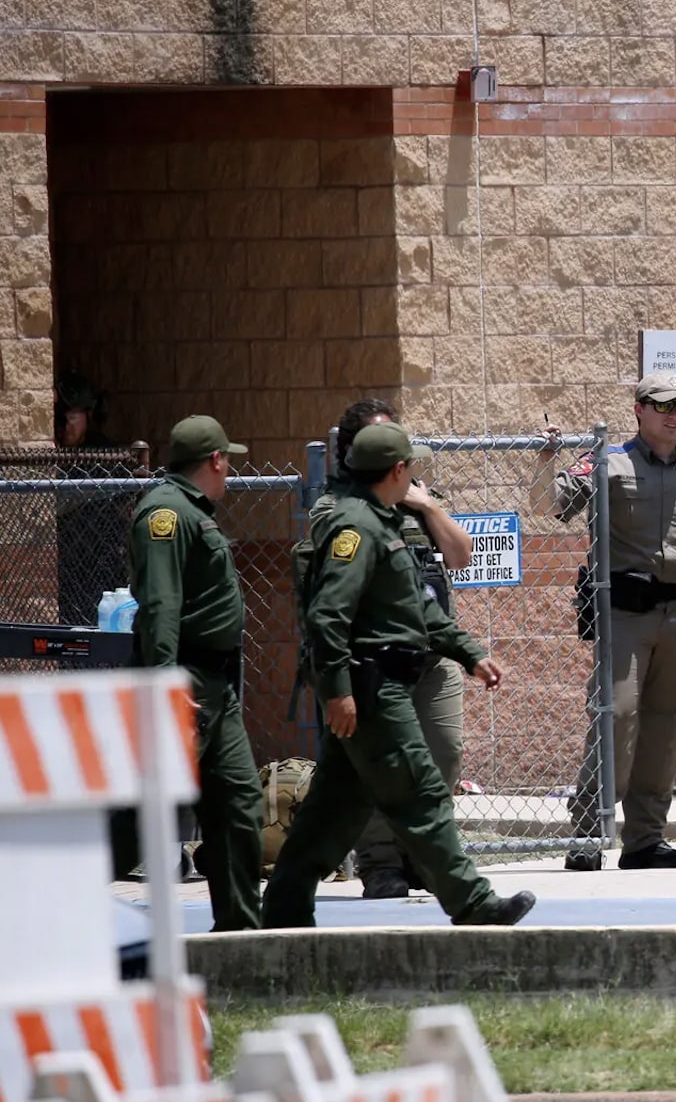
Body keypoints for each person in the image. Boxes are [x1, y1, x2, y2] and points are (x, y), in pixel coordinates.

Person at [264, 423, 534, 928]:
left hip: (382, 681)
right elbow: (328, 616)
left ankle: (283, 907)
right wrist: (338, 692)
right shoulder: (355, 528)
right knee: (422, 792)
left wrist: (469, 654)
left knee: (332, 811)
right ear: (396, 471)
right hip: (372, 688)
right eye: (410, 465)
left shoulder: (381, 521)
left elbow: (418, 607)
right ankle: (472, 902)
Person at [537, 373, 676, 872]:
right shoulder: (607, 463)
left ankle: (645, 840)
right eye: (663, 406)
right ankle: (589, 833)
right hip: (625, 615)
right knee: (616, 715)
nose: (674, 415)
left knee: (666, 724)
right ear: (639, 409)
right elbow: (549, 505)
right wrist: (546, 459)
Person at [310, 399, 475, 901]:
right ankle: (381, 862)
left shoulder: (418, 498)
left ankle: (420, 855)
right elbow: (332, 604)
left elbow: (461, 556)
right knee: (375, 767)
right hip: (376, 663)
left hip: (431, 657)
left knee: (444, 754)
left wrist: (427, 506)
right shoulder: (338, 511)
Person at [119, 416, 262, 931]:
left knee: (239, 804)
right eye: (228, 461)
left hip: (215, 690)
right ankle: (54, 905)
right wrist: (165, 686)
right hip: (185, 681)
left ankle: (241, 931)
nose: (230, 472)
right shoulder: (167, 513)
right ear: (216, 460)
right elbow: (161, 605)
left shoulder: (191, 509)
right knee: (139, 814)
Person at [53, 371, 132, 627]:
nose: (64, 427)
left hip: (99, 559)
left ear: (88, 415)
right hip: (66, 562)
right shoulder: (55, 456)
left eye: (71, 418)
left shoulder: (104, 454)